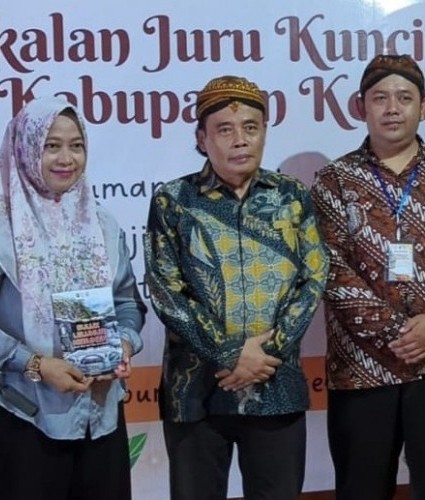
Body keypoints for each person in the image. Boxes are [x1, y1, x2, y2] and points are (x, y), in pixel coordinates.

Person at [144, 75, 328, 500]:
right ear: (202, 139)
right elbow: (166, 291)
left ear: (264, 131)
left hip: (275, 384)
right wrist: (230, 353)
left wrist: (268, 353)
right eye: (224, 129)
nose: (240, 140)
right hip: (196, 391)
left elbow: (313, 275)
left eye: (250, 127)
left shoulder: (291, 196)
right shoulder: (174, 201)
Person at [311, 54, 425, 500]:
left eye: (405, 98)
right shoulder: (335, 181)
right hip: (362, 369)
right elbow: (330, 268)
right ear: (360, 106)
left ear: (424, 106)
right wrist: (397, 333)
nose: (392, 109)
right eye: (380, 98)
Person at [0, 97, 146, 500]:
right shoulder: (3, 229)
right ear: (25, 149)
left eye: (76, 145)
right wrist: (36, 365)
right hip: (24, 415)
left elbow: (127, 303)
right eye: (52, 146)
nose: (66, 158)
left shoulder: (102, 223)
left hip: (100, 417)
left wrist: (123, 344)